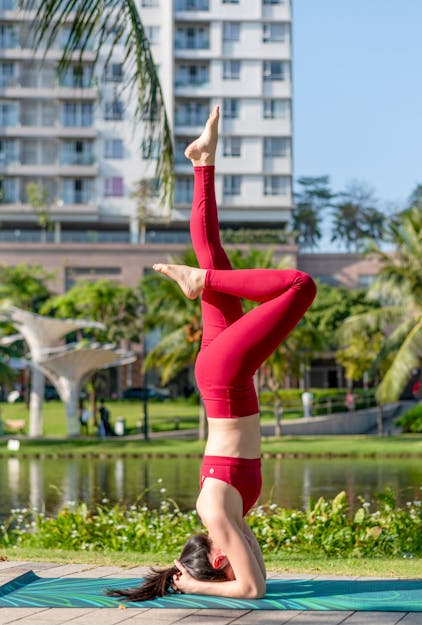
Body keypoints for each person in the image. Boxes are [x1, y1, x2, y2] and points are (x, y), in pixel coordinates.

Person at [108, 107, 317, 602]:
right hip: (224, 376)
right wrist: (189, 575)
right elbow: (255, 574)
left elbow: (252, 591)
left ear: (216, 557)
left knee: (298, 285)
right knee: (214, 255)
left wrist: (197, 586)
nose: (238, 551)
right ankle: (203, 163)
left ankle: (201, 281)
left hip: (225, 378)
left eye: (222, 561)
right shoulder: (229, 518)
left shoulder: (217, 512)